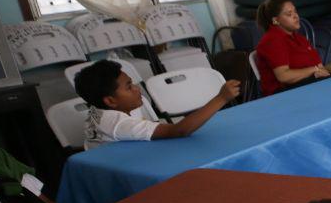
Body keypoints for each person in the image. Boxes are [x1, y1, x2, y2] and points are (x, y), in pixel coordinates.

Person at [74, 60, 240, 149]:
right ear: (110, 101)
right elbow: (180, 130)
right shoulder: (119, 123)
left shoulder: (101, 107)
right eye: (129, 87)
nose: (136, 88)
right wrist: (221, 98)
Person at [254, 0, 331, 95]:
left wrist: (321, 72)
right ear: (276, 20)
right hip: (282, 94)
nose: (296, 16)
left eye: (295, 12)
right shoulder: (272, 40)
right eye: (289, 14)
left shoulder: (300, 39)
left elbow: (320, 67)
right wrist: (313, 70)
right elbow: (283, 76)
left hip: (306, 85)